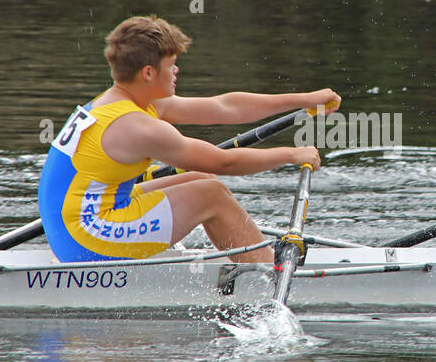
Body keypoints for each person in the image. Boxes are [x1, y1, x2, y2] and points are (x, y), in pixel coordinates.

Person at [39, 15, 338, 264]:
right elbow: (225, 161)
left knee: (201, 178)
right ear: (147, 72)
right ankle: (264, 272)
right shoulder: (136, 126)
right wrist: (291, 155)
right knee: (210, 194)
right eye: (171, 64)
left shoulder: (123, 102)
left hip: (74, 225)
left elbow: (225, 107)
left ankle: (245, 252)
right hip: (85, 241)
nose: (176, 70)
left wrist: (305, 99)